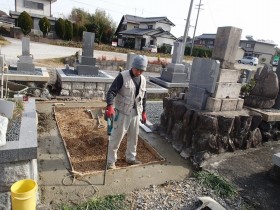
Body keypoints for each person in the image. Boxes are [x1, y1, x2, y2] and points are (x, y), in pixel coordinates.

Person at [105, 55, 148, 169]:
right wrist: (110, 106)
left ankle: (130, 158)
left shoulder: (143, 79)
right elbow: (111, 92)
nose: (139, 72)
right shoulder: (122, 76)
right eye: (137, 69)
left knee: (134, 137)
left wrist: (144, 112)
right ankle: (110, 162)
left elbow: (143, 97)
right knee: (116, 137)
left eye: (141, 70)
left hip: (136, 113)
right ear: (133, 66)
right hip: (122, 113)